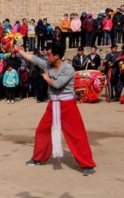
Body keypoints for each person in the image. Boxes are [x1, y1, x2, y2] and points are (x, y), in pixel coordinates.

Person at [13, 43, 96, 176]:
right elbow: (33, 59)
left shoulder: (68, 69)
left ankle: (87, 165)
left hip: (68, 105)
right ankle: (39, 158)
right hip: (53, 105)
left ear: (57, 56)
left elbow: (57, 84)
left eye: (49, 54)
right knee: (42, 130)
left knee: (76, 134)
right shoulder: (48, 64)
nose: (47, 56)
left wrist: (46, 78)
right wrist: (18, 51)